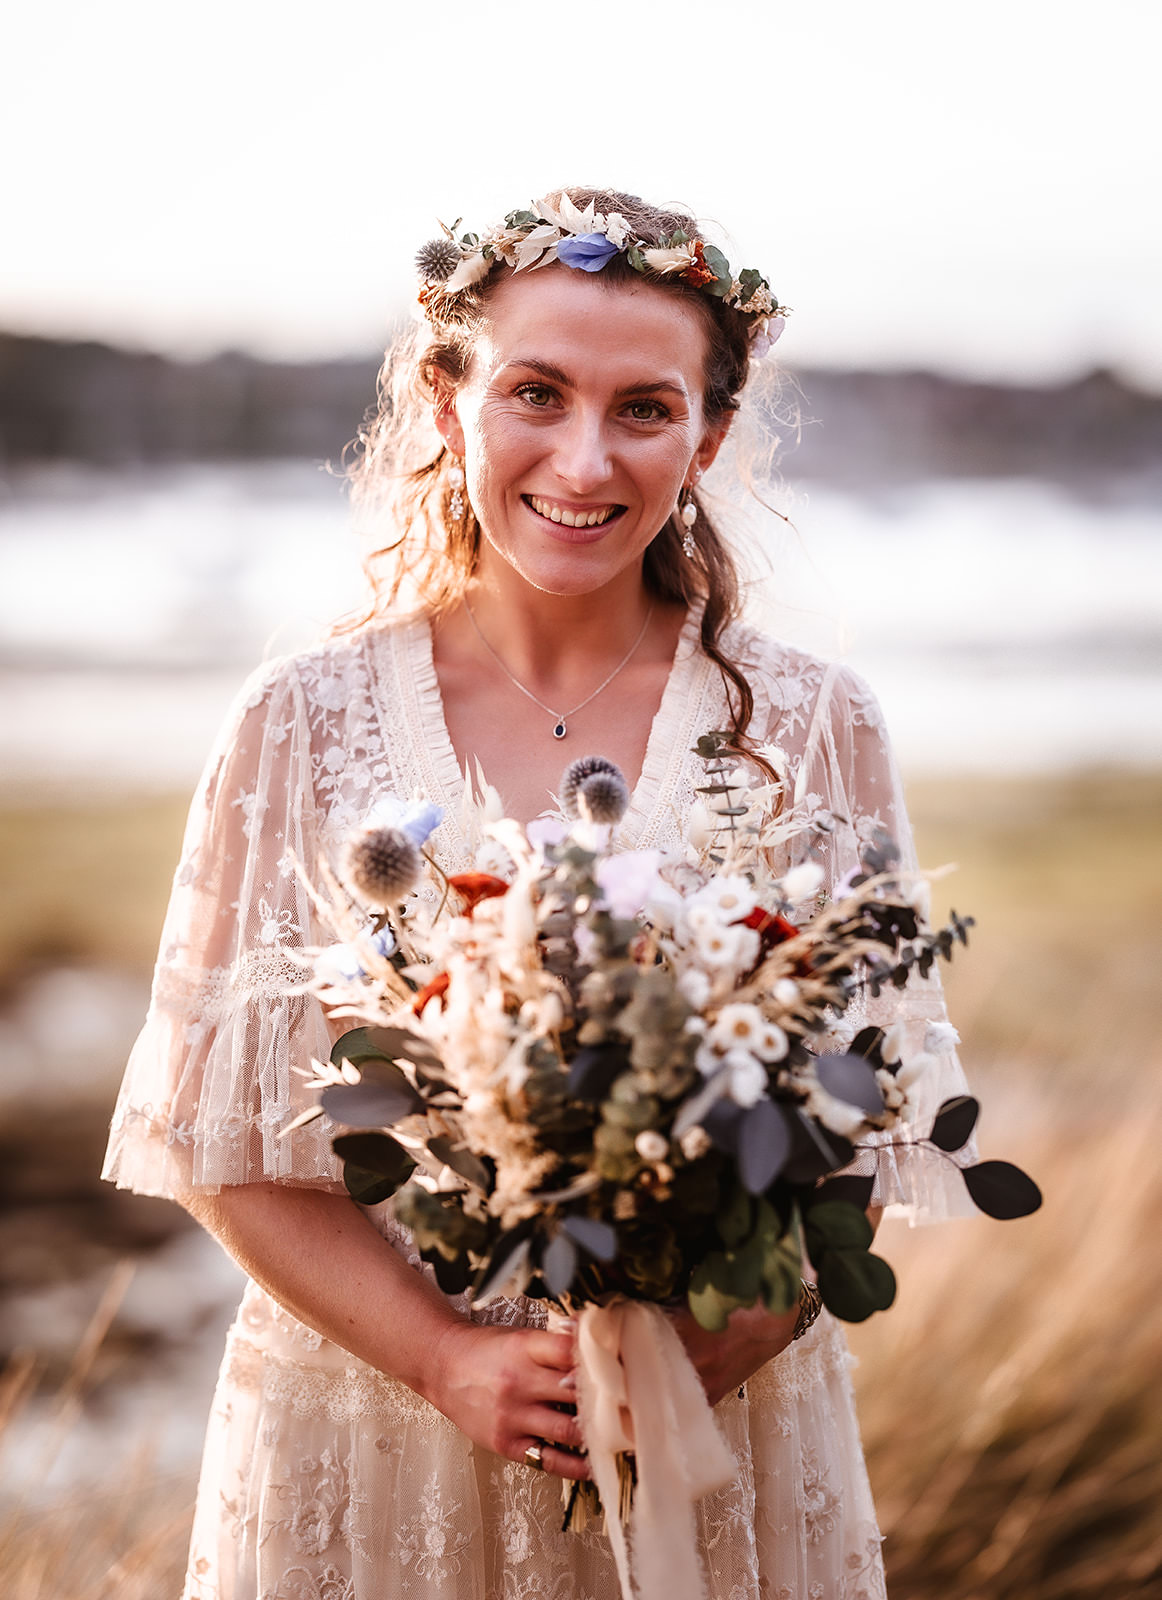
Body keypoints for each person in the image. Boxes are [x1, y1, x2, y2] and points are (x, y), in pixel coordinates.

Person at [103, 187, 973, 1600]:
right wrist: (447, 1358)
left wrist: (714, 1342)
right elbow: (212, 1135)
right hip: (372, 1435)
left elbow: (869, 1122)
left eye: (643, 407)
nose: (583, 456)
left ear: (707, 437)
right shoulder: (299, 725)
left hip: (711, 1433)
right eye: (534, 392)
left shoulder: (816, 727)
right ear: (448, 403)